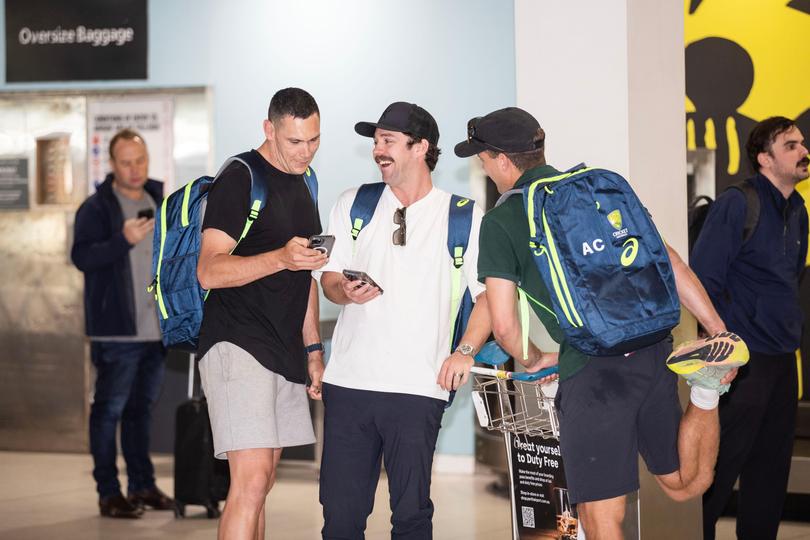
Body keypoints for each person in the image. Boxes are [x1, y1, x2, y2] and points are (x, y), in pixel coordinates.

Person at [456, 107, 743, 538]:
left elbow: (504, 324)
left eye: (482, 157)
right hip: (651, 350)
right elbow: (669, 260)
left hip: (592, 375)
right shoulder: (598, 191)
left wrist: (532, 357)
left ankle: (705, 387)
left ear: (501, 159)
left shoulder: (503, 220)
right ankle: (705, 389)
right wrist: (716, 328)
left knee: (600, 520)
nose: (482, 165)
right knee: (686, 482)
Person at [315, 101, 492, 539]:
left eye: (388, 140)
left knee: (411, 516)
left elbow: (488, 297)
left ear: (421, 147)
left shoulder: (464, 216)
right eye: (375, 141)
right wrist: (345, 292)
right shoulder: (353, 204)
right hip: (350, 383)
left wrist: (465, 351)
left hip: (417, 389)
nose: (378, 149)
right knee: (340, 516)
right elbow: (329, 279)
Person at [195, 87, 327, 540]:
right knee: (249, 482)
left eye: (313, 139)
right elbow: (209, 270)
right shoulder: (241, 175)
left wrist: (312, 347)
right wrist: (280, 258)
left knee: (263, 481)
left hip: (283, 346)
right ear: (269, 129)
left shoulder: (306, 181)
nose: (305, 151)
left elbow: (304, 274)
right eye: (295, 141)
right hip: (237, 343)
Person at [692, 117, 808, 540]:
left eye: (802, 143)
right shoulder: (737, 203)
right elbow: (704, 277)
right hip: (741, 361)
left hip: (782, 359)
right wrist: (721, 348)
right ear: (765, 159)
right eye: (791, 145)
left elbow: (790, 276)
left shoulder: (798, 210)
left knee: (771, 473)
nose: (802, 151)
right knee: (720, 466)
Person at [71, 129, 175, 518]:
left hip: (155, 330)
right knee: (108, 411)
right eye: (126, 162)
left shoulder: (159, 201)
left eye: (141, 160)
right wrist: (122, 239)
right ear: (112, 164)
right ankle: (108, 492)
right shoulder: (97, 208)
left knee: (140, 411)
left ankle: (143, 485)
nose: (135, 169)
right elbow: (81, 256)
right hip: (116, 332)